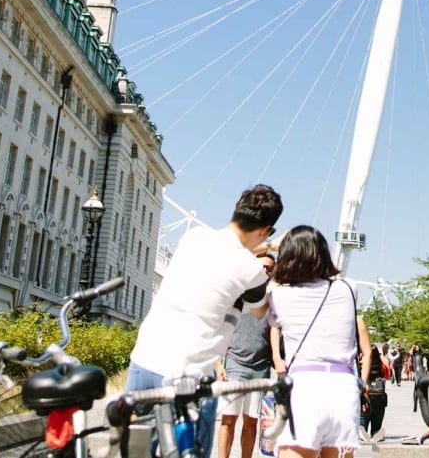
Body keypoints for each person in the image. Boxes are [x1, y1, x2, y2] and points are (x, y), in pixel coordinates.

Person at [127, 185, 282, 455]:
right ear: (263, 230)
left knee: (138, 452)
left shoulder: (194, 237)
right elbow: (260, 311)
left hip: (144, 362)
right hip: (188, 377)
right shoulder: (250, 269)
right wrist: (270, 248)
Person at [267, 225, 368, 457]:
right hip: (343, 389)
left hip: (305, 386)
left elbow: (242, 260)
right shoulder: (349, 288)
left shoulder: (279, 294)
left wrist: (270, 246)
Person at [217, 307, 274, 458]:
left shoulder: (271, 299)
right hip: (235, 364)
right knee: (228, 420)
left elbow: (275, 331)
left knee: (251, 422)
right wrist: (218, 363)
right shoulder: (238, 295)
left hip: (260, 368)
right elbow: (221, 327)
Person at [361, 342, 388, 442]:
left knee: (363, 418)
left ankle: (362, 431)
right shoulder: (381, 366)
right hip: (379, 395)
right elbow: (387, 374)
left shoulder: (362, 365)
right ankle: (375, 433)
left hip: (366, 394)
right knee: (377, 419)